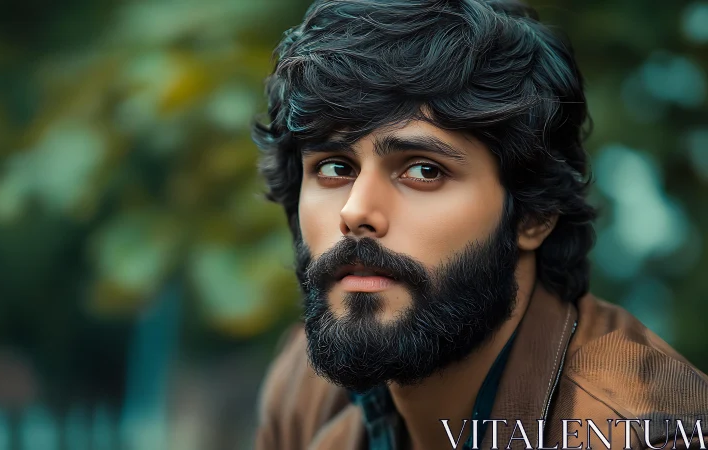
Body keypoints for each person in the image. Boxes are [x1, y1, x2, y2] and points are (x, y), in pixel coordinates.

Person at [250, 1, 708, 449]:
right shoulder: (302, 386)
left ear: (533, 214)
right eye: (334, 168)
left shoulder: (650, 432)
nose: (354, 211)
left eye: (424, 171)